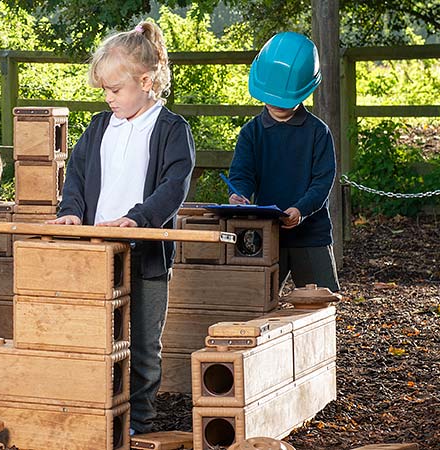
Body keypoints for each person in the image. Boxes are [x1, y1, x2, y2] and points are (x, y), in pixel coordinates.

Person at [47, 21, 195, 434]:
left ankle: (142, 419)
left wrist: (139, 219)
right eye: (105, 91)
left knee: (144, 344)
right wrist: (72, 211)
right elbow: (75, 176)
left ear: (145, 81)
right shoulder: (98, 127)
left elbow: (174, 185)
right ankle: (99, 411)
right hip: (99, 251)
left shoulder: (171, 130)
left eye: (115, 90)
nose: (109, 98)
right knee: (100, 339)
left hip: (146, 254)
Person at [228, 31, 340, 292]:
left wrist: (301, 210)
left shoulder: (318, 132)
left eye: (284, 100)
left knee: (323, 304)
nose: (277, 104)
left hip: (311, 234)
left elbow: (322, 183)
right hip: (265, 232)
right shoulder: (251, 133)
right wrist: (239, 195)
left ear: (306, 90)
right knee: (254, 302)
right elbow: (242, 174)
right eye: (271, 97)